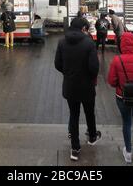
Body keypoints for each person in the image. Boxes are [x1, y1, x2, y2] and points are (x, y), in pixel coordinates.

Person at [55, 17, 101, 162]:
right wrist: (89, 76)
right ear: (83, 28)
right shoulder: (89, 43)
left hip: (70, 86)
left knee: (74, 116)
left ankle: (75, 148)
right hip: (87, 86)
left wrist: (68, 73)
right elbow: (94, 68)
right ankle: (92, 137)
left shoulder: (61, 42)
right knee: (89, 112)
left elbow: (57, 64)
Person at [108, 32, 133, 164]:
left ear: (121, 45)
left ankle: (128, 152)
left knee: (126, 122)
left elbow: (112, 81)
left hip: (122, 96)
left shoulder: (117, 60)